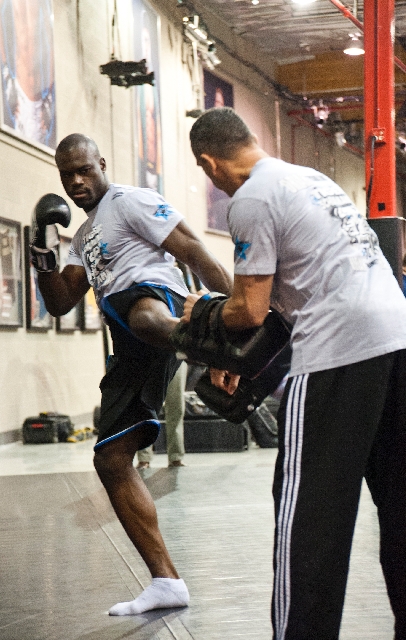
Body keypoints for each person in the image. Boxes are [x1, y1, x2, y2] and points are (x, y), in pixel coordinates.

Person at [182, 107, 406, 640]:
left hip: (337, 355)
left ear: (209, 164)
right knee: (400, 505)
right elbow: (301, 294)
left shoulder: (251, 198)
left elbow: (249, 310)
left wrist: (202, 312)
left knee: (309, 520)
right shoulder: (311, 181)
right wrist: (242, 364)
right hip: (397, 340)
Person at [31, 133, 233, 616]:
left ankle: (210, 347)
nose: (76, 181)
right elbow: (59, 301)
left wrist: (234, 328)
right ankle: (166, 582)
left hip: (157, 302)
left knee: (140, 312)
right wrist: (41, 244)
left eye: (85, 170)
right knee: (111, 459)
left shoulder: (130, 201)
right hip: (129, 338)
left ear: (102, 164)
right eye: (67, 174)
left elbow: (194, 251)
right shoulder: (83, 237)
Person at [137, 361, 187, 468]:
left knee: (176, 406)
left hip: (175, 358)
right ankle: (144, 457)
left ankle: (176, 456)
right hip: (148, 357)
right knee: (145, 406)